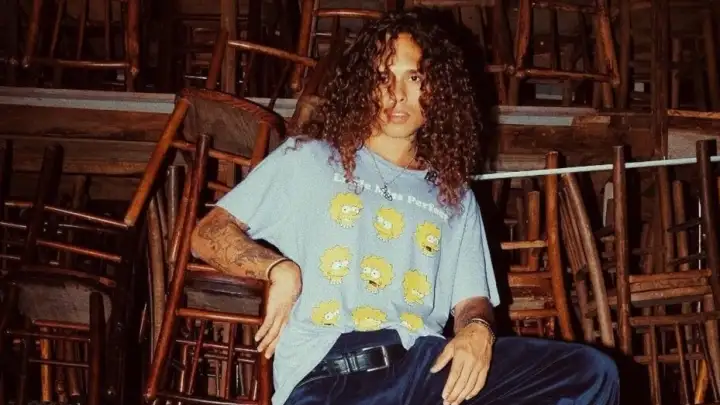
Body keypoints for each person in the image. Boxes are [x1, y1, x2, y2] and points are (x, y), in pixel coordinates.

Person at [191, 9, 619, 405]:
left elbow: (471, 300)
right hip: (334, 374)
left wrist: (477, 329)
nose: (396, 95)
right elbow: (208, 233)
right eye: (383, 76)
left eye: (414, 77)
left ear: (438, 90)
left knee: (590, 372)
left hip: (426, 366)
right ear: (362, 86)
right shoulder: (309, 160)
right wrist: (276, 268)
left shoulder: (454, 196)